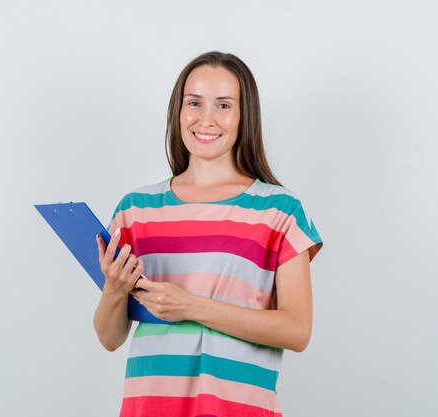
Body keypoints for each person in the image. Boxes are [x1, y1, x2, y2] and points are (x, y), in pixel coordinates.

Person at [93, 51, 323, 417]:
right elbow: (109, 338)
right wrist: (115, 290)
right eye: (194, 103)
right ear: (178, 111)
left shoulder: (280, 210)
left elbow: (297, 330)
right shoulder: (135, 209)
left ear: (244, 116)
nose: (206, 119)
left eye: (224, 106)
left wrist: (192, 307)